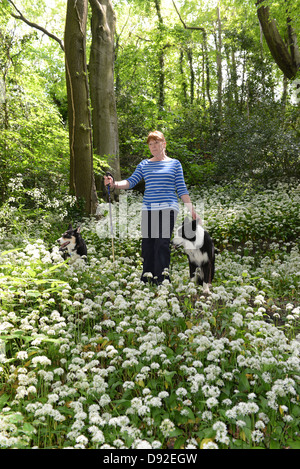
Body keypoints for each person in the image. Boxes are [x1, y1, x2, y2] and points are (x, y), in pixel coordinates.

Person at [104, 130, 200, 284]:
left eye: (157, 142)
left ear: (164, 143)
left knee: (161, 243)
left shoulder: (175, 164)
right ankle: (147, 279)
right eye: (151, 144)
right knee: (148, 244)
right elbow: (130, 182)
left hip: (168, 207)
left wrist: (192, 210)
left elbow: (181, 189)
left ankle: (162, 280)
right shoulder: (144, 164)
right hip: (148, 208)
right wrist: (113, 184)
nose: (154, 146)